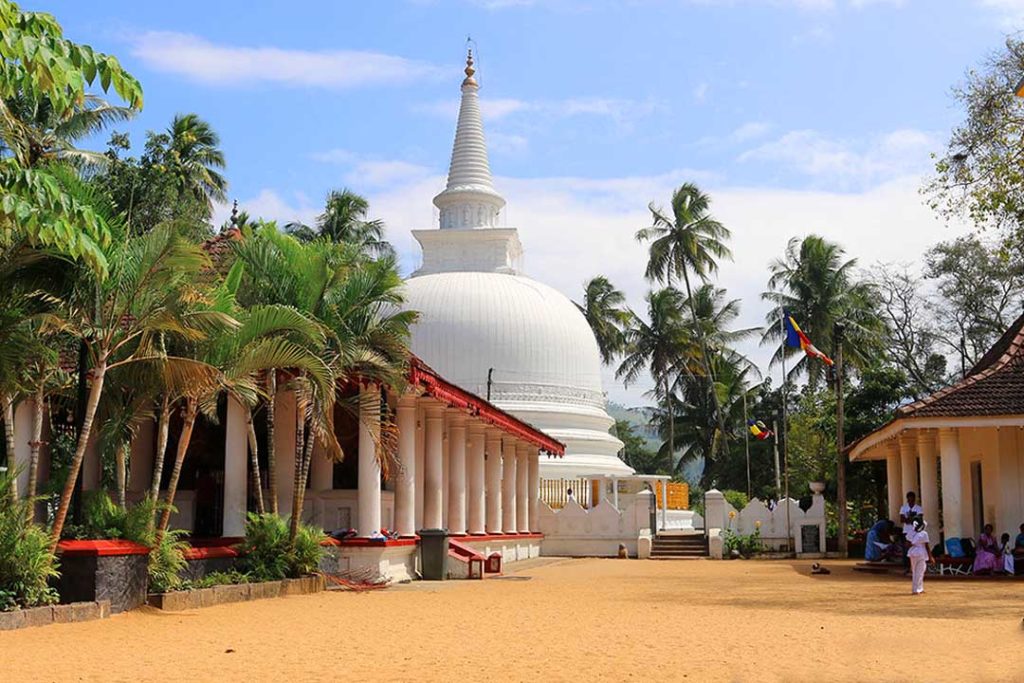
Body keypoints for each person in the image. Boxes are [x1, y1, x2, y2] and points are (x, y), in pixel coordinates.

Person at [907, 517, 933, 595]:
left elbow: (907, 543)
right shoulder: (924, 533)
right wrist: (931, 557)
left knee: (916, 571)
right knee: (920, 571)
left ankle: (920, 588)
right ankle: (915, 590)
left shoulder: (911, 532)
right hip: (921, 552)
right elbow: (927, 546)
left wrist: (914, 543)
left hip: (913, 552)